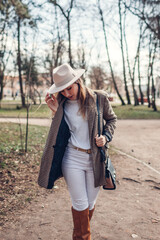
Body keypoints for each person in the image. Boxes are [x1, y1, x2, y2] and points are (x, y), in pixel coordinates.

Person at [38, 63, 117, 239]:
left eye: (69, 88)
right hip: (72, 158)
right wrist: (55, 112)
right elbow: (61, 133)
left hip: (96, 160)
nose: (66, 93)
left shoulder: (99, 98)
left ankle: (79, 236)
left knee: (89, 203)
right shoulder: (62, 104)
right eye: (62, 91)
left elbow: (112, 120)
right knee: (80, 203)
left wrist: (105, 137)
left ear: (78, 82)